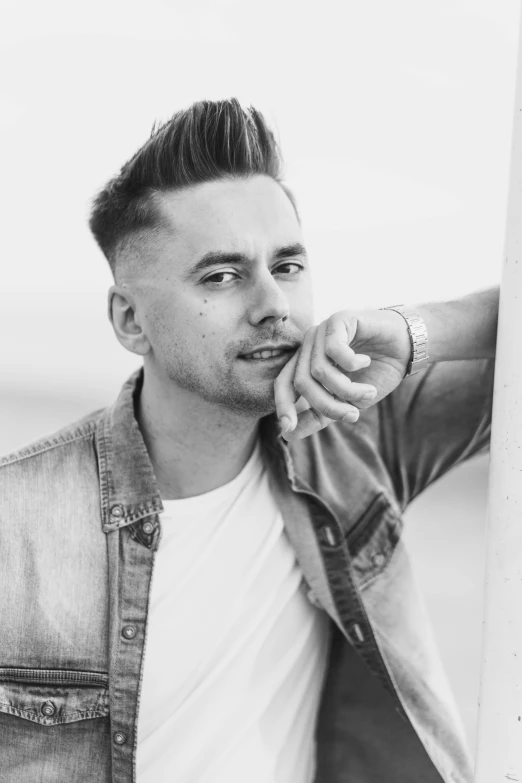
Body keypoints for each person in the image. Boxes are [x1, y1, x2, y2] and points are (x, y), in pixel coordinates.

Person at [0, 98, 498, 783]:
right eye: (222, 276)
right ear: (129, 320)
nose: (274, 306)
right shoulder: (16, 519)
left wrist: (413, 332)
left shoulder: (355, 433)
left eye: (287, 266)